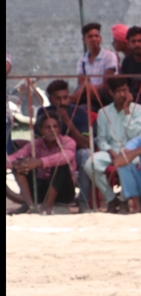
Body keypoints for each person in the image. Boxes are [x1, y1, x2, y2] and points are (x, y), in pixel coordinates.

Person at [84, 76, 141, 213]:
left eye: (125, 90)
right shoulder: (103, 112)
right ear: (111, 92)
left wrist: (126, 111)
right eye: (118, 91)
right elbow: (101, 139)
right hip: (111, 151)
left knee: (127, 163)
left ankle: (124, 200)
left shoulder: (139, 110)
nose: (123, 94)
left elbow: (135, 136)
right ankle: (111, 199)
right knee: (90, 164)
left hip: (132, 152)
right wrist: (109, 150)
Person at [7, 112, 76, 215]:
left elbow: (66, 156)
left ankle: (47, 207)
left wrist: (39, 162)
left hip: (63, 190)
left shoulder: (68, 141)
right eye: (47, 127)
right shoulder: (35, 144)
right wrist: (14, 164)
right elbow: (13, 157)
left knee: (59, 165)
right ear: (40, 130)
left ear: (59, 129)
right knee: (19, 165)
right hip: (41, 188)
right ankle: (30, 206)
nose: (52, 130)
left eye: (55, 127)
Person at [46, 79, 92, 210]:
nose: (62, 102)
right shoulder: (44, 112)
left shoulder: (79, 112)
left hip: (75, 153)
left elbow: (84, 144)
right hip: (52, 153)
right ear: (50, 100)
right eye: (58, 99)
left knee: (86, 155)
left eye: (65, 98)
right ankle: (46, 200)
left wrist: (68, 123)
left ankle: (83, 201)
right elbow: (41, 142)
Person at [74, 22, 119, 107]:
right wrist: (88, 88)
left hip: (105, 96)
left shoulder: (109, 56)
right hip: (89, 95)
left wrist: (91, 88)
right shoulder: (82, 61)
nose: (94, 39)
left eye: (96, 36)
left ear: (100, 38)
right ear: (84, 40)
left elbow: (108, 82)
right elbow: (81, 82)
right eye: (90, 36)